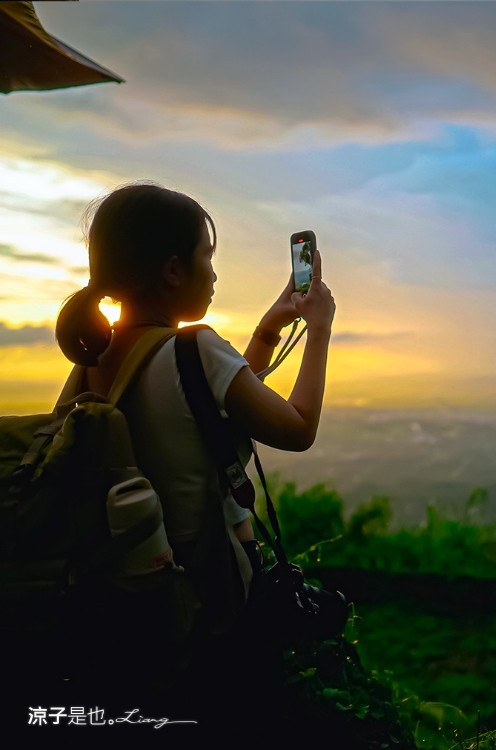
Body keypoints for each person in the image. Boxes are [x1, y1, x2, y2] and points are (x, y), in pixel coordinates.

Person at [53, 182, 336, 716]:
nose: (214, 274)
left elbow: (200, 406)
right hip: (211, 596)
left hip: (133, 593)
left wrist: (267, 330)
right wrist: (318, 330)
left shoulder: (93, 362)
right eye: (206, 257)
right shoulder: (196, 346)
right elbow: (298, 428)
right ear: (172, 270)